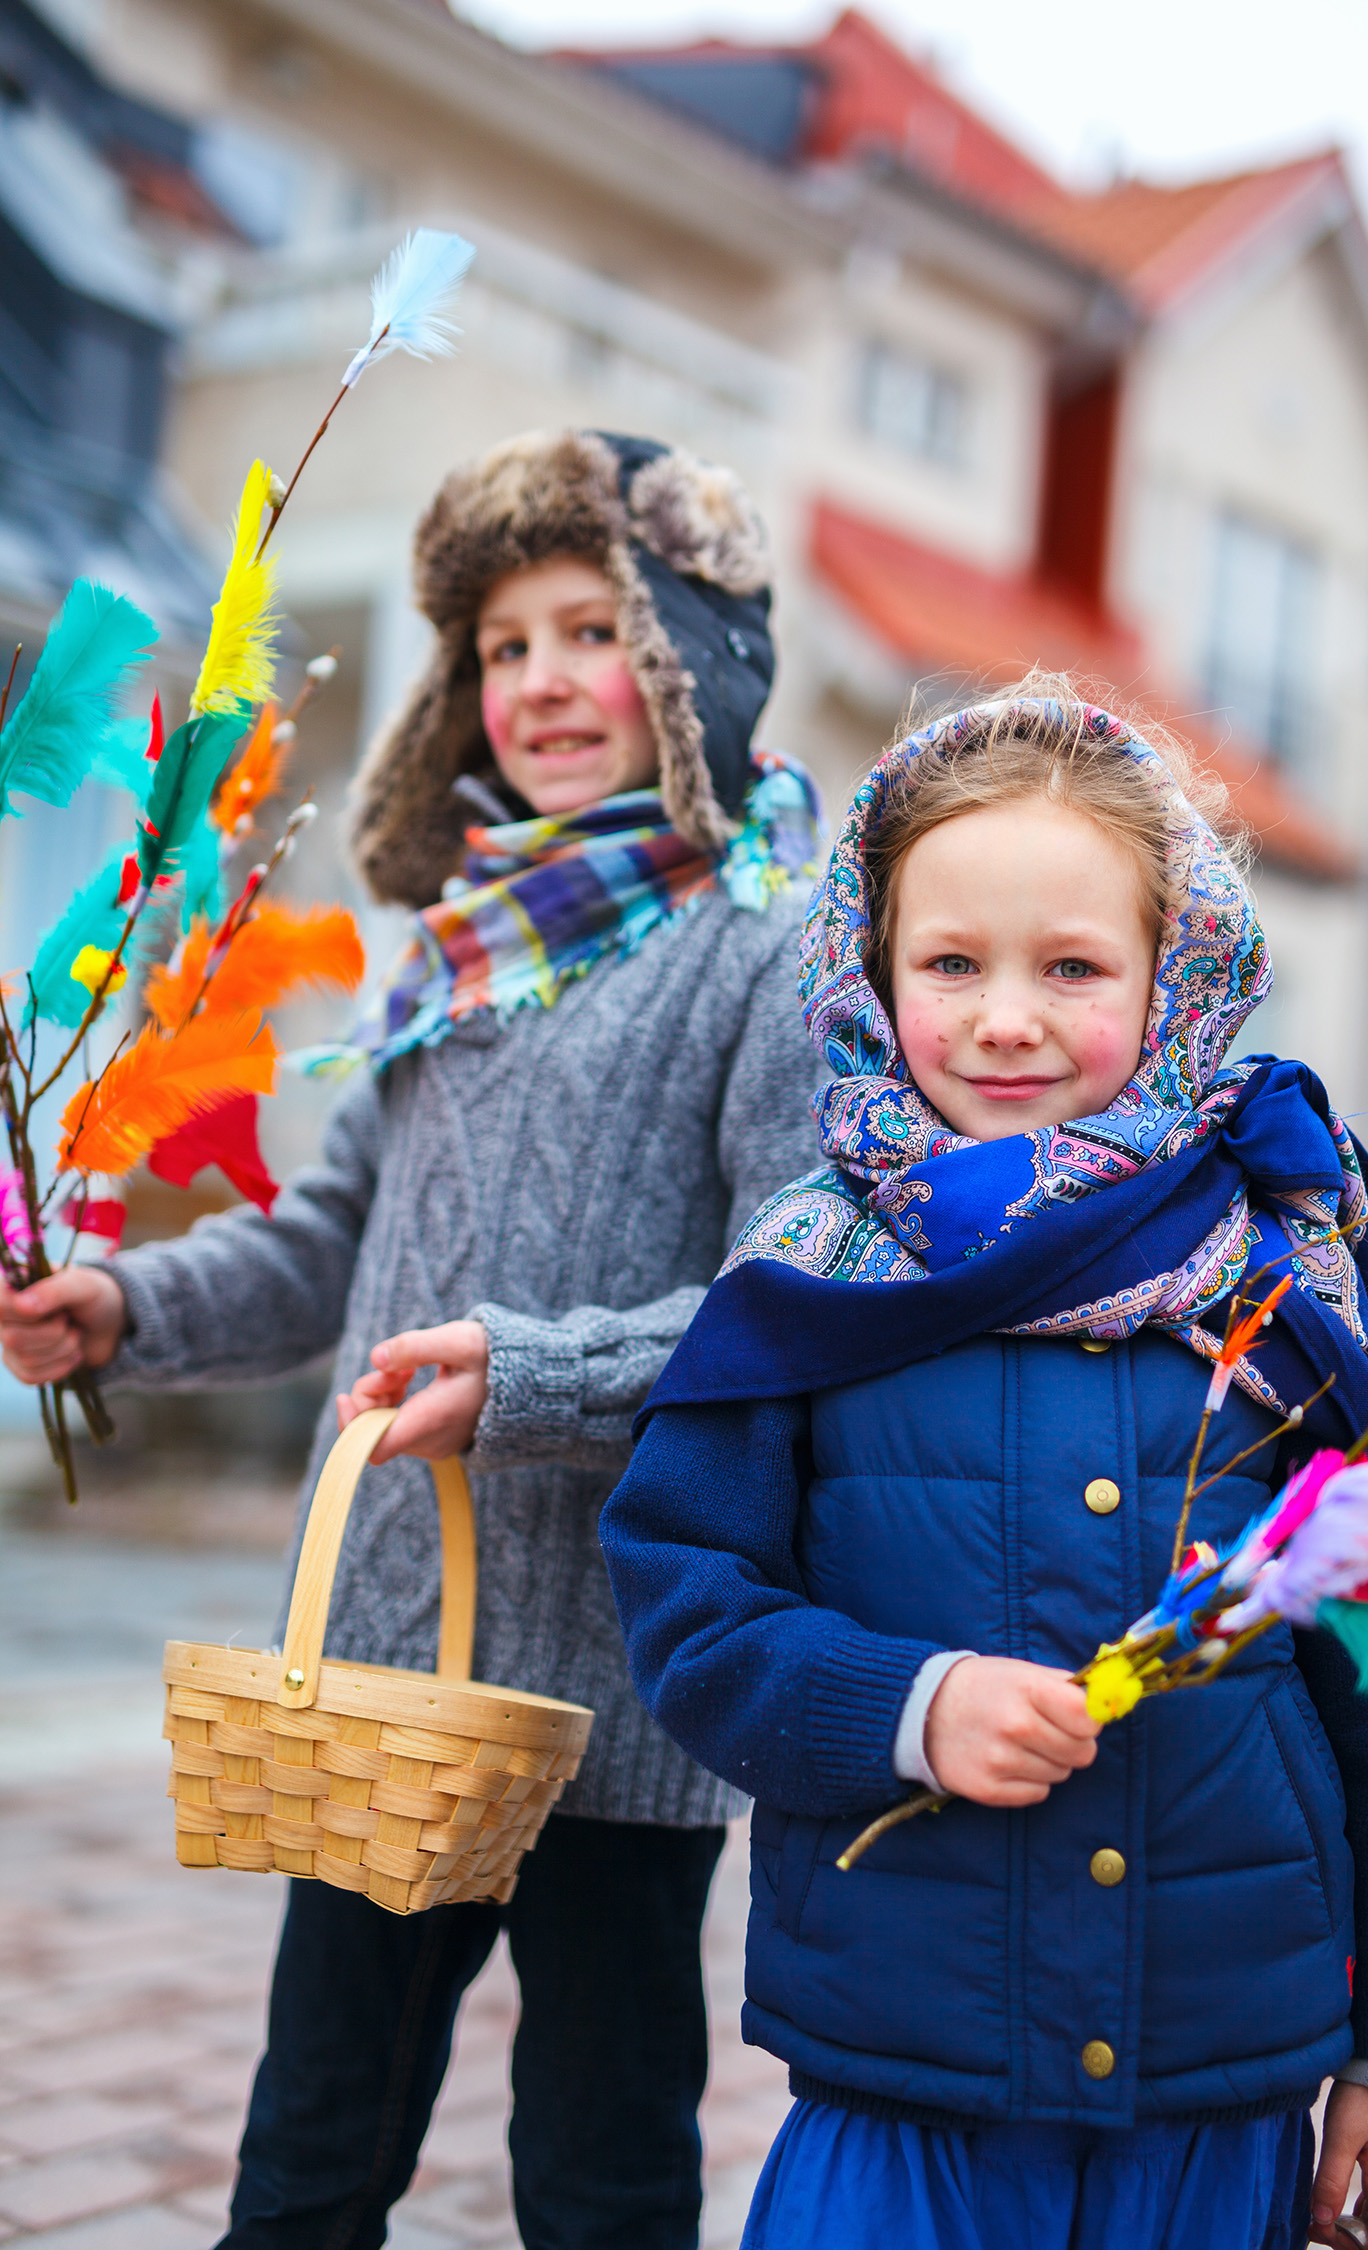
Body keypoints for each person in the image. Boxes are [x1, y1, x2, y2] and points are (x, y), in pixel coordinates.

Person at [0, 430, 824, 2250]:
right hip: (384, 1671)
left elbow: (792, 1303)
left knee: (602, 2170)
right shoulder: (452, 946)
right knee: (310, 2152)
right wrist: (126, 1309)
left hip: (624, 1674)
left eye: (589, 630)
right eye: (502, 645)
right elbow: (331, 1247)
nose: (535, 681)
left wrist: (530, 1376)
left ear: (693, 665)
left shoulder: (768, 953)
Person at [600, 681, 1368, 2250]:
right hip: (903, 2071)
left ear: (1172, 978)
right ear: (871, 972)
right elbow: (689, 1609)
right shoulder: (809, 1271)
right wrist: (908, 1705)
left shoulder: (1275, 1282)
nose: (1007, 1016)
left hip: (1214, 2080)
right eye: (952, 964)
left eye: (1072, 966)